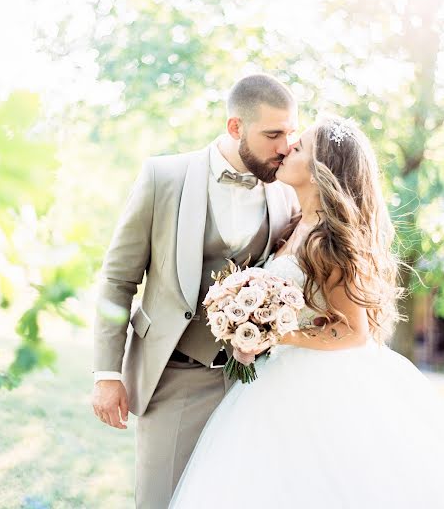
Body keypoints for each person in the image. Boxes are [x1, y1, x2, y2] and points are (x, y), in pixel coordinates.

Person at [169, 115, 444, 509]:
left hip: (324, 386)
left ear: (318, 172)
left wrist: (273, 332)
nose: (286, 148)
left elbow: (353, 332)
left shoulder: (331, 241)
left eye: (298, 148)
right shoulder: (295, 224)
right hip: (275, 377)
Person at [91, 73, 298, 508]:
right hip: (174, 375)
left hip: (254, 383)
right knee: (160, 499)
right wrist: (107, 374)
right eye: (273, 134)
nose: (284, 146)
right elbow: (117, 279)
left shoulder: (288, 194)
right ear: (235, 127)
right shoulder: (162, 177)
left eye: (290, 133)